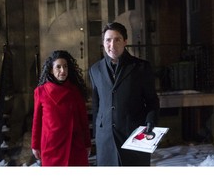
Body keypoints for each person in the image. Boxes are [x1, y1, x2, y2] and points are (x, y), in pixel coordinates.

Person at [89, 22, 159, 166]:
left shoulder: (141, 67)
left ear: (125, 41)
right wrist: (97, 133)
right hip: (105, 139)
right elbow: (96, 104)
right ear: (103, 42)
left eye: (117, 39)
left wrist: (150, 123)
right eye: (108, 40)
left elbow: (152, 101)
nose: (112, 45)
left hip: (134, 136)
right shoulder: (95, 70)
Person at [31, 50, 91, 166]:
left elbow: (83, 120)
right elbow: (37, 121)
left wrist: (87, 143)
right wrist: (35, 145)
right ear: (51, 70)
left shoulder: (75, 91)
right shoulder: (41, 91)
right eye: (58, 67)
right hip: (51, 146)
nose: (63, 70)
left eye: (65, 66)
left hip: (75, 146)